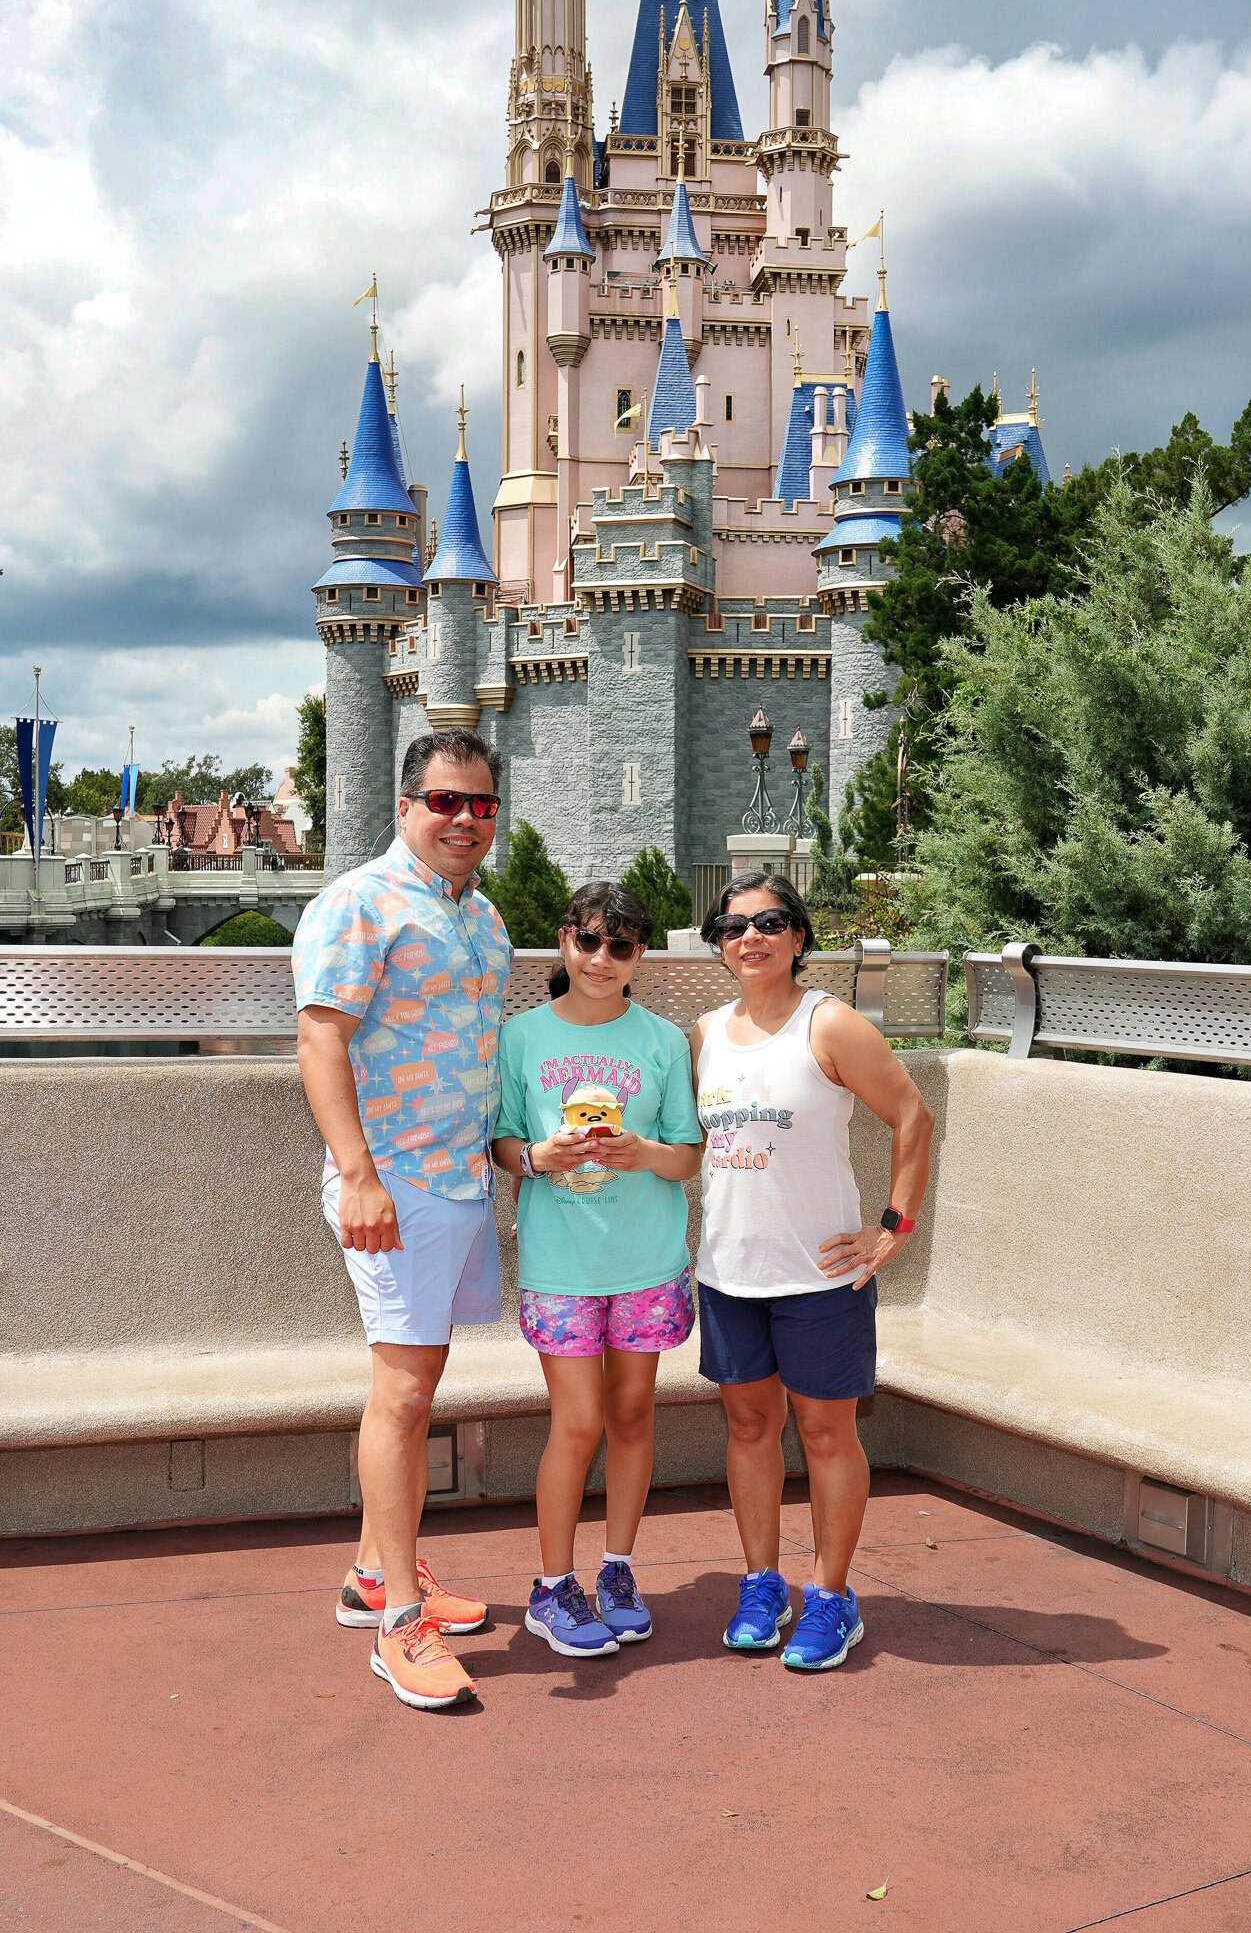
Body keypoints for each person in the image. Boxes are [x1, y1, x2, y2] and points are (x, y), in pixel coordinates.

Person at [292, 730, 511, 1712]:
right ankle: (395, 1630)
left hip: (458, 1180)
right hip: (394, 1184)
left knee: (415, 1384)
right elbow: (320, 1036)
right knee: (403, 1391)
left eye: (480, 804)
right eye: (444, 801)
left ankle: (377, 1572)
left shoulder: (483, 915)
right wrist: (358, 1174)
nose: (462, 819)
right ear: (406, 805)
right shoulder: (358, 901)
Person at [691, 871, 934, 1673]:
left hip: (821, 1276)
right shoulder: (703, 1035)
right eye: (732, 927)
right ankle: (763, 1584)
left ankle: (832, 1596)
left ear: (798, 935)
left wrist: (893, 1227)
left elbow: (911, 1115)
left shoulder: (829, 1025)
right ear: (719, 945)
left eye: (768, 922)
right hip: (729, 1271)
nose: (749, 938)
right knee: (751, 1429)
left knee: (828, 1433)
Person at [491, 883, 703, 1658]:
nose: (601, 958)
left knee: (633, 1416)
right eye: (588, 941)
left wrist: (640, 1153)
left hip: (646, 1258)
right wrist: (538, 1158)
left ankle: (616, 1568)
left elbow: (685, 1154)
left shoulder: (663, 1042)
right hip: (561, 1262)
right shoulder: (521, 1038)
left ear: (640, 954)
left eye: (621, 946)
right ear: (564, 943)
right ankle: (552, 1587)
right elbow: (503, 1143)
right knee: (578, 1424)